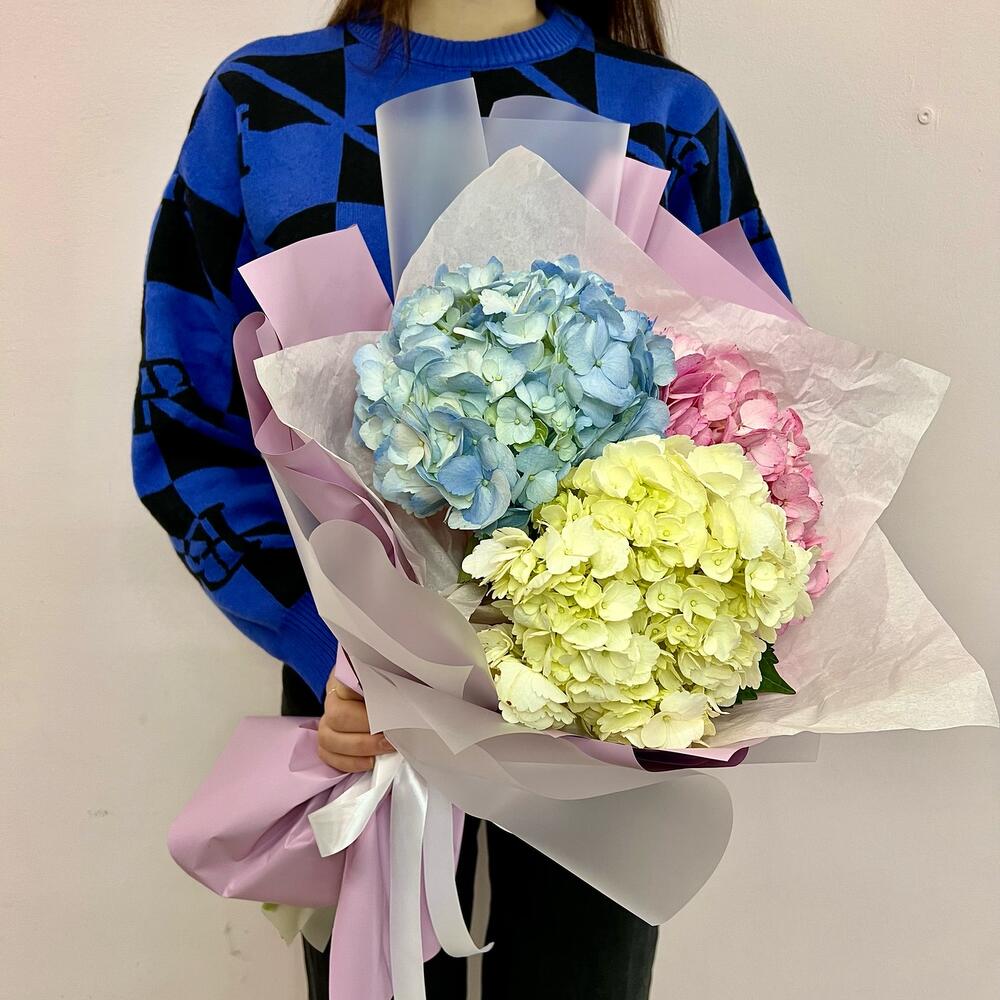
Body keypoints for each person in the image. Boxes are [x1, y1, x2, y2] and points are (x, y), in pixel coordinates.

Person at [132, 2, 790, 997]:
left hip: (606, 708)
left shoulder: (664, 112)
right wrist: (336, 647)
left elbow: (753, 423)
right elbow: (182, 423)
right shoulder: (265, 104)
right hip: (357, 703)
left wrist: (654, 643)